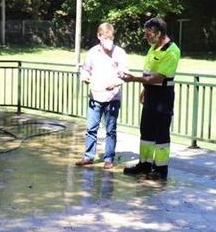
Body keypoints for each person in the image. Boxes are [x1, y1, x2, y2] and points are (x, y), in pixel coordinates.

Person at [120, 17, 181, 181]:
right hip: (151, 93)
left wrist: (134, 79)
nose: (146, 37)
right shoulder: (154, 47)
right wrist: (144, 90)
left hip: (163, 96)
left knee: (161, 133)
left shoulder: (171, 51)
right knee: (146, 130)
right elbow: (149, 73)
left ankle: (160, 170)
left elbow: (159, 78)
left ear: (159, 33)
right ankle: (144, 164)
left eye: (149, 34)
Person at [75, 22, 128, 169]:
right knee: (91, 128)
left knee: (110, 129)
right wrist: (85, 77)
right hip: (95, 97)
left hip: (112, 98)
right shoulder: (92, 52)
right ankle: (88, 156)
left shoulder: (119, 53)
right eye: (105, 37)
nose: (108, 40)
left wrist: (116, 83)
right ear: (99, 36)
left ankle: (109, 158)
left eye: (110, 37)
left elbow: (124, 75)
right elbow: (86, 70)